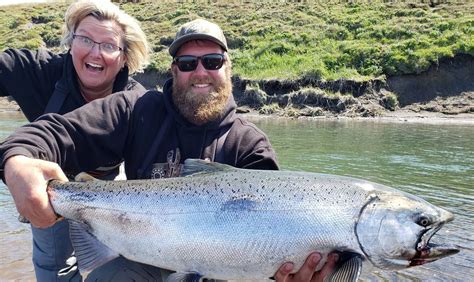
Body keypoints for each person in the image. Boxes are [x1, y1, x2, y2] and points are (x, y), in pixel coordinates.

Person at [0, 18, 338, 281]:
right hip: (146, 258)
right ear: (174, 70)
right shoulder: (135, 109)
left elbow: (273, 238)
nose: (200, 72)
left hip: (221, 270)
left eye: (212, 61)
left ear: (228, 69)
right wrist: (18, 162)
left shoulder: (250, 145)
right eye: (188, 64)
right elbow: (55, 131)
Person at [0, 0, 150, 280]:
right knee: (54, 269)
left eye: (108, 45)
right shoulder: (39, 71)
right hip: (45, 190)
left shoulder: (139, 102)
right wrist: (14, 162)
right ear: (71, 43)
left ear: (125, 58)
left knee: (109, 267)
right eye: (85, 39)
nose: (95, 53)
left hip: (106, 191)